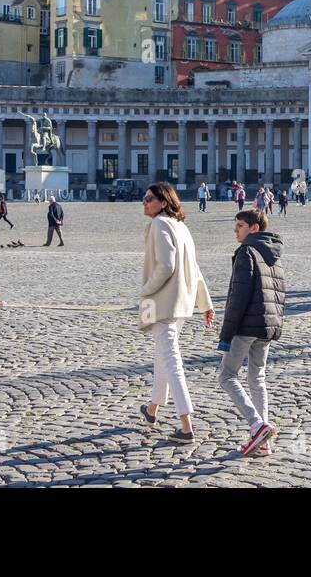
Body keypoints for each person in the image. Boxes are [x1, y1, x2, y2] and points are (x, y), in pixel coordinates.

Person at [138, 182, 214, 446]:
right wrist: (205, 303)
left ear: (162, 202)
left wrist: (146, 291)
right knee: (162, 357)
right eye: (144, 198)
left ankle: (186, 426)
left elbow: (167, 265)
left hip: (163, 303)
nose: (144, 202)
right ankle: (152, 410)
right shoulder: (182, 227)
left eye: (149, 198)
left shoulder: (159, 225)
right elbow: (194, 267)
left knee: (171, 361)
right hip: (182, 305)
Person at [216, 207, 285, 458]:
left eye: (240, 226)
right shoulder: (273, 252)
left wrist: (226, 334)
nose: (236, 231)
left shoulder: (246, 251)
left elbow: (238, 296)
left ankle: (257, 425)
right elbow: (279, 292)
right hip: (266, 325)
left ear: (254, 228)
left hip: (246, 325)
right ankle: (264, 442)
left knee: (226, 376)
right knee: (257, 378)